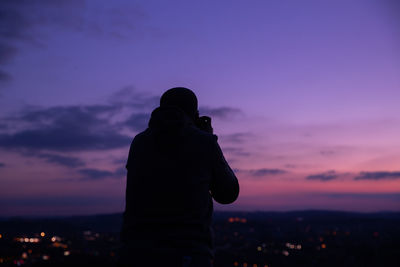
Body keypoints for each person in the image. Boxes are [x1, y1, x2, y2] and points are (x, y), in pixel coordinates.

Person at [119, 87, 239, 267]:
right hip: (189, 252)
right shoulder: (203, 141)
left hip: (138, 252)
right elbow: (228, 193)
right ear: (194, 114)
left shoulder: (139, 142)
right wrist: (210, 139)